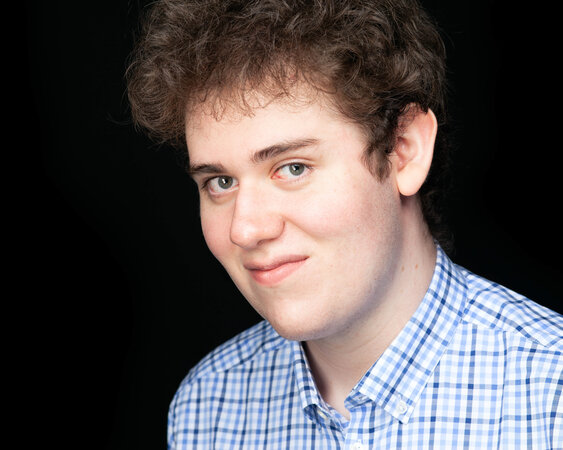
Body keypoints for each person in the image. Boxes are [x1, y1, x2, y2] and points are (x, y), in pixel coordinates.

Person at [126, 0, 562, 448]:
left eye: (293, 168)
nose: (245, 229)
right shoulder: (206, 408)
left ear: (404, 150)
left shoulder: (552, 395)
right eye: (220, 182)